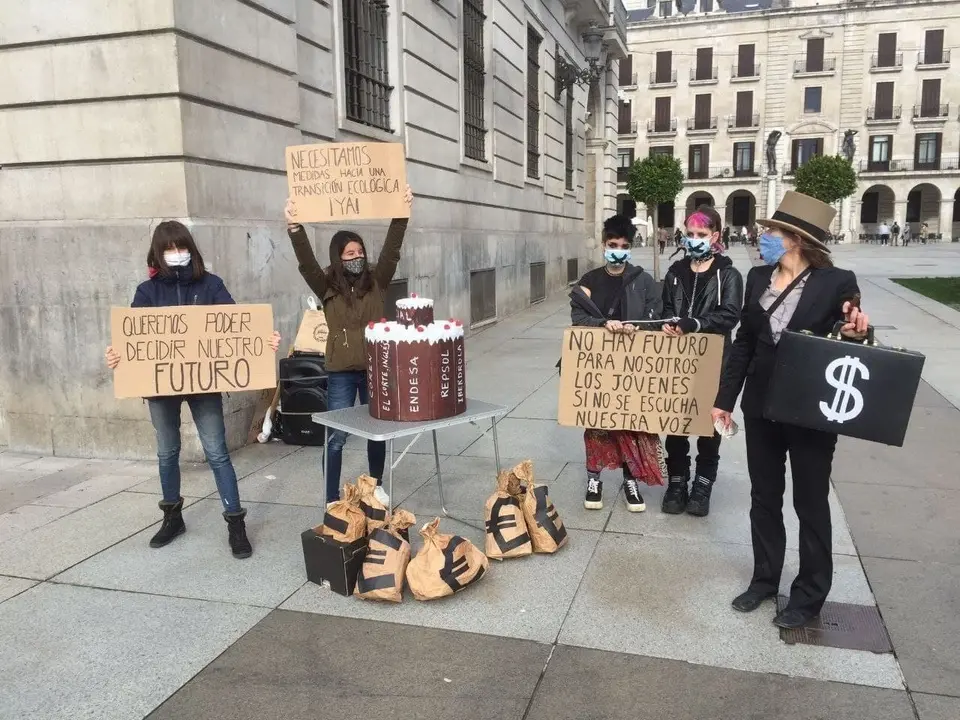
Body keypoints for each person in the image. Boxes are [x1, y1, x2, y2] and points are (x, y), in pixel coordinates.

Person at [711, 191, 870, 630]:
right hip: (761, 407)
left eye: (772, 232)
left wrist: (855, 329)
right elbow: (745, 342)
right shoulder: (759, 275)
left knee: (810, 502)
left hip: (809, 412)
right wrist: (725, 400)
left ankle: (808, 596)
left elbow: (846, 327)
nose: (764, 237)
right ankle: (764, 581)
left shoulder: (837, 281)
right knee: (764, 498)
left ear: (796, 239)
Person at [104, 221, 282, 558]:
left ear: (191, 248)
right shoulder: (147, 292)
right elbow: (134, 339)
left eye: (180, 246)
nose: (175, 253)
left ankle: (235, 523)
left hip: (205, 384)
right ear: (158, 253)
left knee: (217, 452)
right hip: (160, 387)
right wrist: (118, 356)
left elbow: (237, 328)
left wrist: (262, 341)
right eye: (168, 248)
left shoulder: (211, 286)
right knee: (167, 452)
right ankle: (172, 517)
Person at [285, 186, 414, 506]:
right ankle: (331, 496)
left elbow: (391, 252)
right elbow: (306, 264)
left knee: (376, 429)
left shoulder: (377, 279)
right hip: (341, 370)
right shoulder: (326, 284)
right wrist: (294, 229)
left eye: (359, 253)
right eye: (349, 254)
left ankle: (376, 484)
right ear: (338, 259)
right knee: (336, 435)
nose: (357, 258)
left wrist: (401, 214)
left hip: (375, 366)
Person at [570, 215, 664, 512]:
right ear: (603, 245)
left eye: (623, 246)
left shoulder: (643, 281)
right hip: (599, 366)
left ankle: (631, 479)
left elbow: (656, 317)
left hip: (634, 367)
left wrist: (640, 328)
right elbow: (579, 318)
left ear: (630, 247)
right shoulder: (589, 281)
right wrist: (603, 324)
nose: (618, 250)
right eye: (613, 245)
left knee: (632, 425)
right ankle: (594, 477)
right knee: (597, 424)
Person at [660, 206, 743, 517]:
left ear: (715, 236)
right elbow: (666, 310)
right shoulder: (674, 274)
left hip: (716, 362)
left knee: (709, 428)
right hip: (677, 364)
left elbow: (730, 314)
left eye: (701, 235)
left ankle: (703, 485)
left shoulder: (729, 275)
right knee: (677, 426)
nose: (694, 240)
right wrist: (666, 324)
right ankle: (677, 481)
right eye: (690, 234)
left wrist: (694, 323)